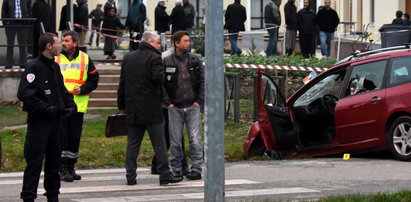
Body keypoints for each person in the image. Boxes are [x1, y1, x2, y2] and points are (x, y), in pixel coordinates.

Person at [117, 31, 182, 185]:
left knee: (133, 143)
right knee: (159, 143)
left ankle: (130, 176)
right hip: (152, 108)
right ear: (151, 42)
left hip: (133, 108)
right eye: (158, 42)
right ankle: (165, 174)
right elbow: (158, 79)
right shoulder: (155, 58)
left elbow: (122, 83)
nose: (160, 45)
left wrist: (121, 105)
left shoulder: (128, 58)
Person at [18, 33, 76, 202]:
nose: (61, 46)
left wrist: (70, 105)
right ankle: (28, 196)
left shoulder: (55, 66)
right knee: (34, 162)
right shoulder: (34, 67)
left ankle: (53, 194)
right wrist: (45, 108)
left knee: (54, 162)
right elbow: (25, 93)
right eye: (58, 43)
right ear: (49, 46)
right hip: (39, 123)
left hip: (56, 123)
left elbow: (61, 90)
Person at [55, 31, 99, 182]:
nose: (63, 43)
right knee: (62, 138)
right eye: (63, 41)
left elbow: (94, 79)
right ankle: (61, 168)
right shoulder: (57, 58)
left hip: (78, 105)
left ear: (75, 43)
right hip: (60, 106)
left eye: (67, 41)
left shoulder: (85, 58)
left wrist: (83, 89)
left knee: (74, 138)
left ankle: (70, 167)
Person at [163, 31, 204, 180]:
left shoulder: (194, 60)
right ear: (176, 43)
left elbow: (203, 81)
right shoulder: (167, 61)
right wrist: (169, 103)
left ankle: (197, 169)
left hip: (192, 106)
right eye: (185, 41)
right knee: (175, 141)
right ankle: (176, 169)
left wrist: (199, 101)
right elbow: (162, 84)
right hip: (175, 107)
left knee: (195, 140)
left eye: (189, 41)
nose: (189, 43)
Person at [2, 0, 32, 69]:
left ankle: (23, 63)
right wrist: (6, 23)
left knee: (22, 44)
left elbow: (29, 11)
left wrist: (28, 22)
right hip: (11, 24)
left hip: (22, 23)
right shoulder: (7, 0)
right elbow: (4, 12)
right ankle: (9, 63)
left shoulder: (25, 1)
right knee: (10, 44)